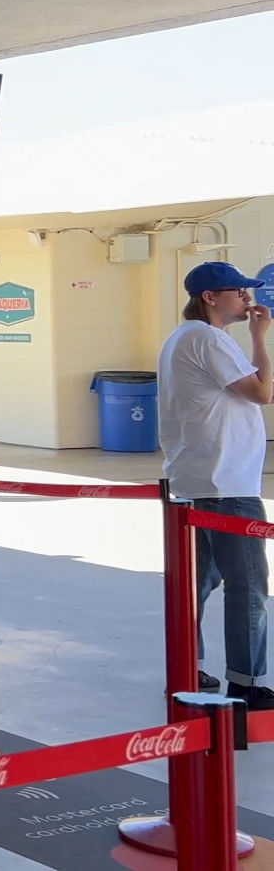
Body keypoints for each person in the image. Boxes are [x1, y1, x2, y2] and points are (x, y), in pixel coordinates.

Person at [158, 261, 272, 710]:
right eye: (238, 291)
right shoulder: (208, 338)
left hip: (196, 478)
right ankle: (246, 683)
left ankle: (188, 669)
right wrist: (260, 339)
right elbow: (263, 392)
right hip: (226, 484)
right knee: (247, 584)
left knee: (196, 584)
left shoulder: (182, 338)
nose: (248, 299)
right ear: (210, 297)